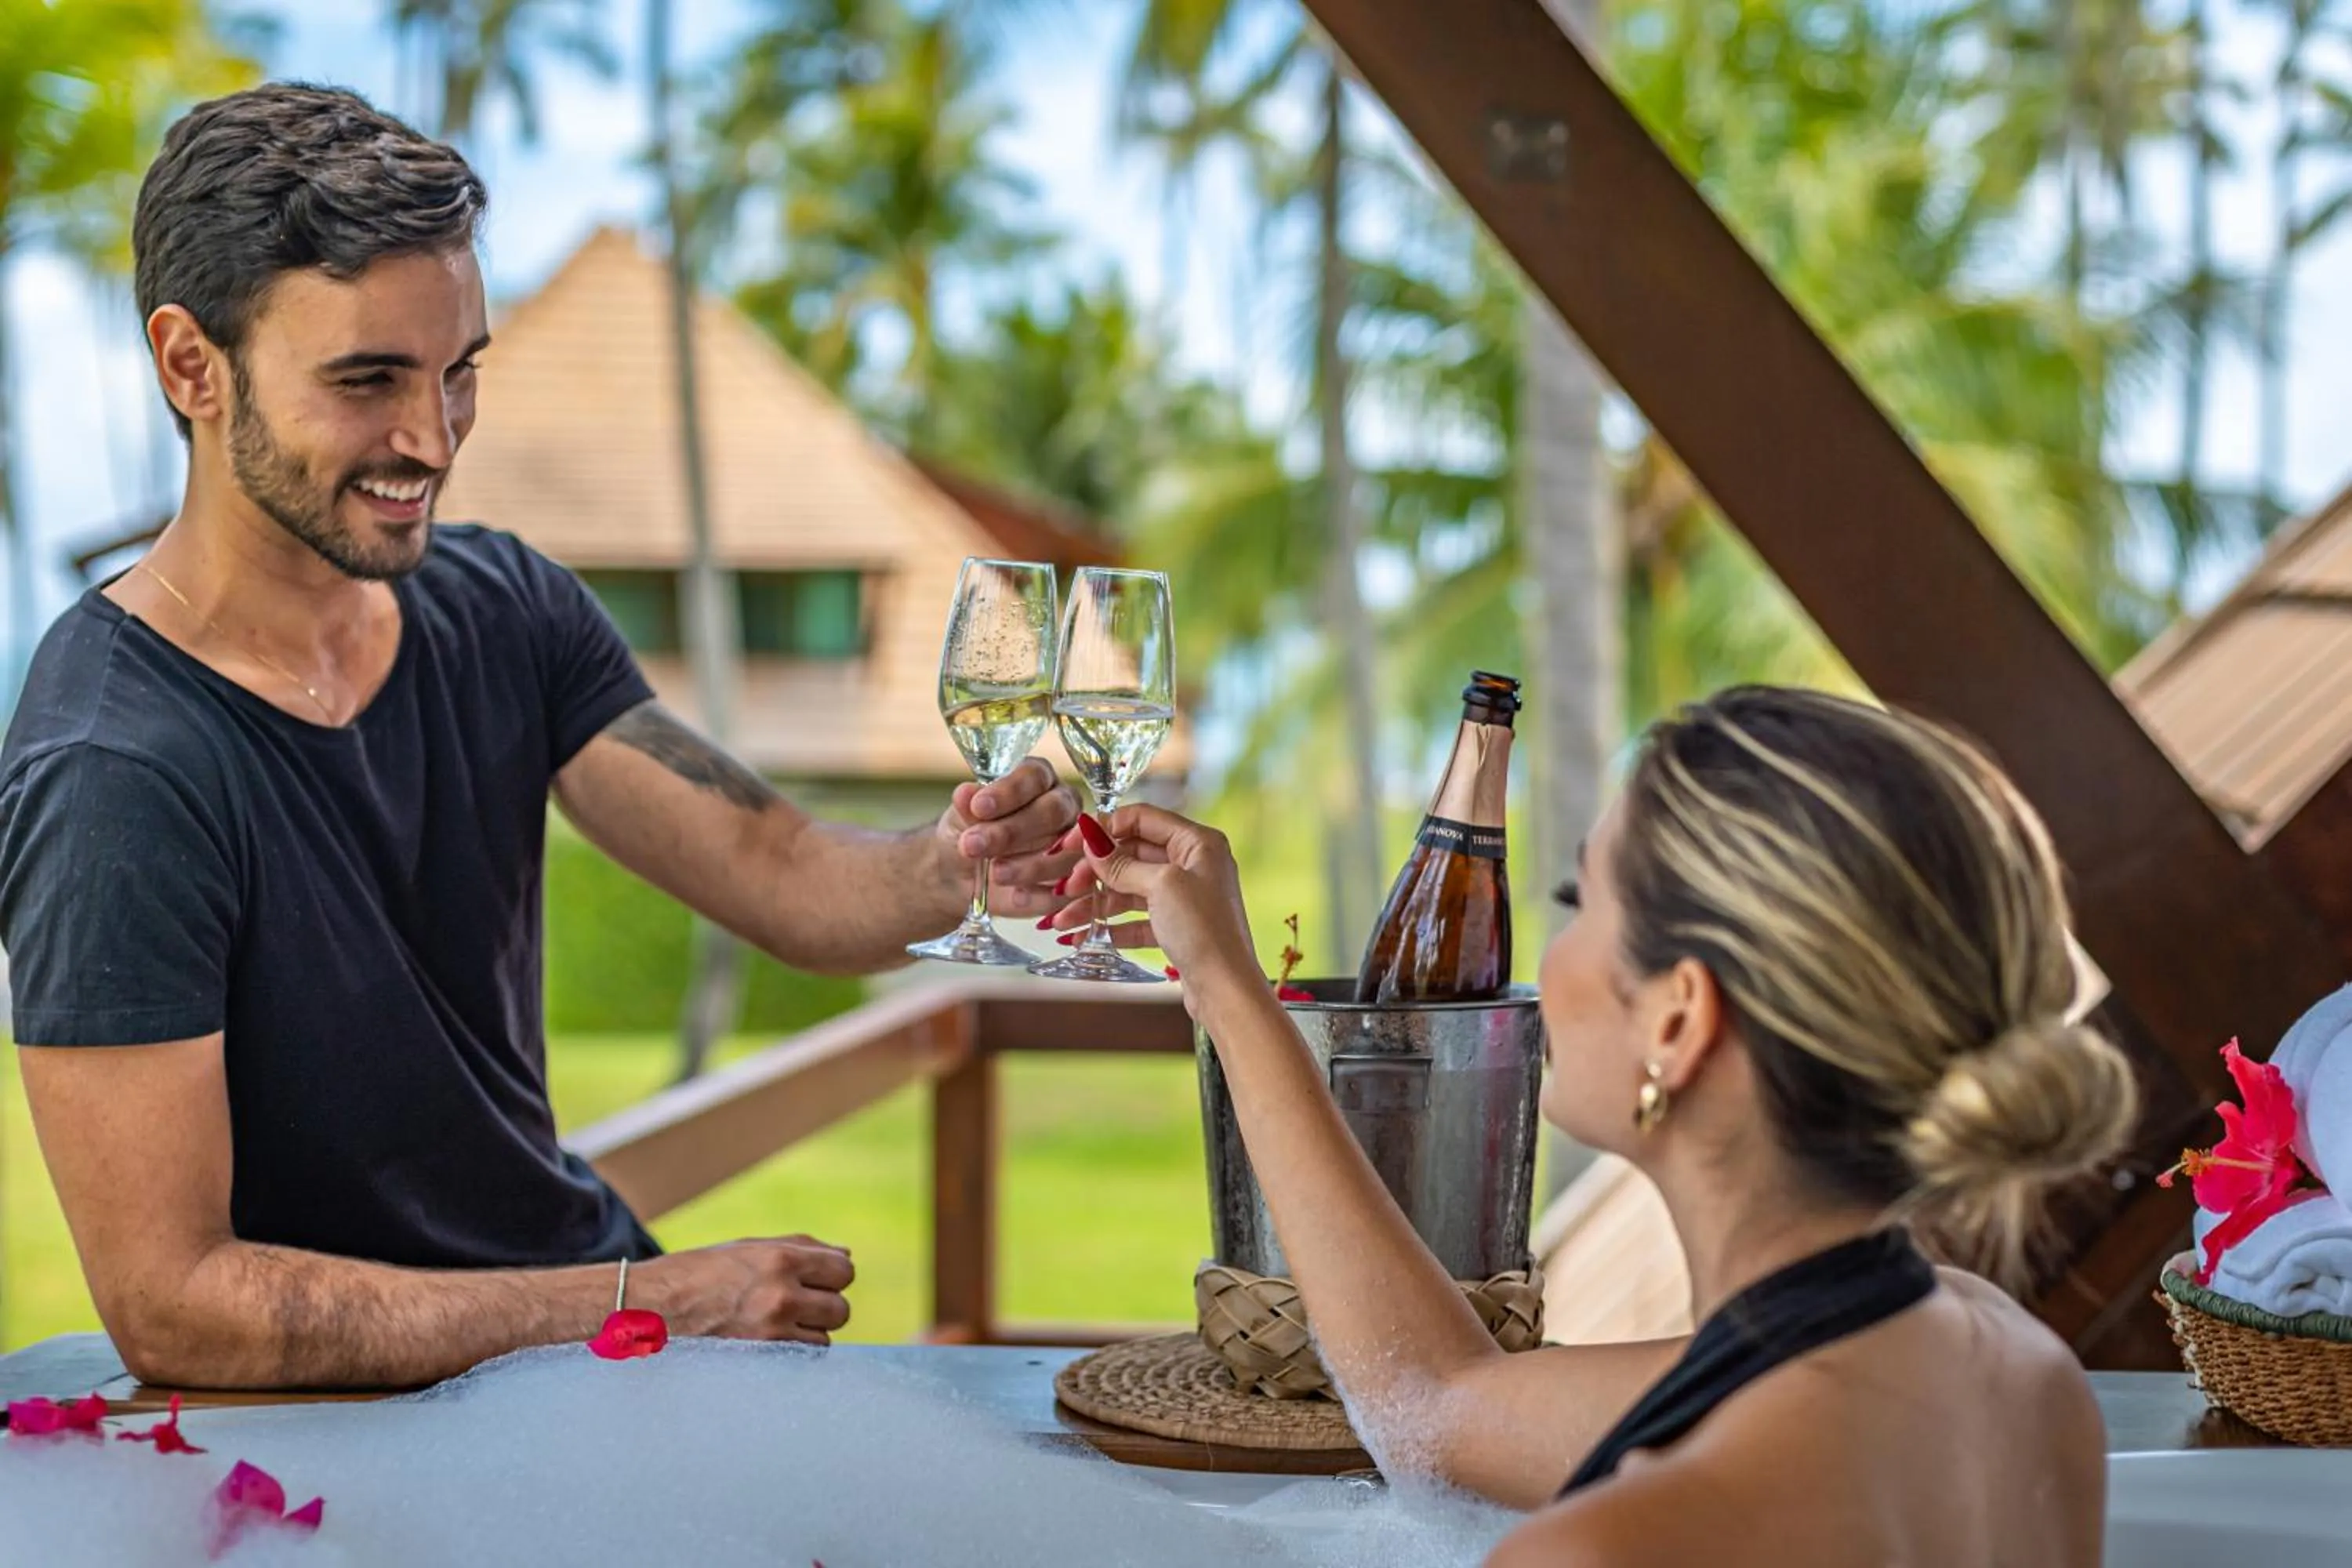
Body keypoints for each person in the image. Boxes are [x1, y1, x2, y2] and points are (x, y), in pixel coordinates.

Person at [0, 84, 1080, 1392]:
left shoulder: (502, 603)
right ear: (192, 367)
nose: (432, 438)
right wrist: (647, 1302)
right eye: (368, 381)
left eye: (460, 372)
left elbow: (785, 872)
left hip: (576, 1365)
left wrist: (959, 860)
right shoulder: (116, 766)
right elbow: (177, 1310)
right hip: (357, 1435)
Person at [1056, 685, 2136, 1566]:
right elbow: (1436, 1407)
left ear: (1677, 1019)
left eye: (1580, 902)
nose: (1549, 964)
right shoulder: (2007, 1365)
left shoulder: (1621, 1548)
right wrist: (1233, 993)